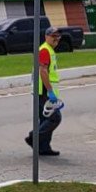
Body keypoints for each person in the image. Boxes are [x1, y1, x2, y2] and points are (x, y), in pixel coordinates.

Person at [25, 27, 63, 157]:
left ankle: (43, 147)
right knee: (55, 118)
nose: (56, 39)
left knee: (44, 119)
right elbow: (43, 71)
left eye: (58, 36)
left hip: (43, 90)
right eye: (53, 36)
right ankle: (33, 138)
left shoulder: (48, 50)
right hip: (43, 91)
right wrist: (50, 91)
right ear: (46, 37)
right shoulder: (45, 50)